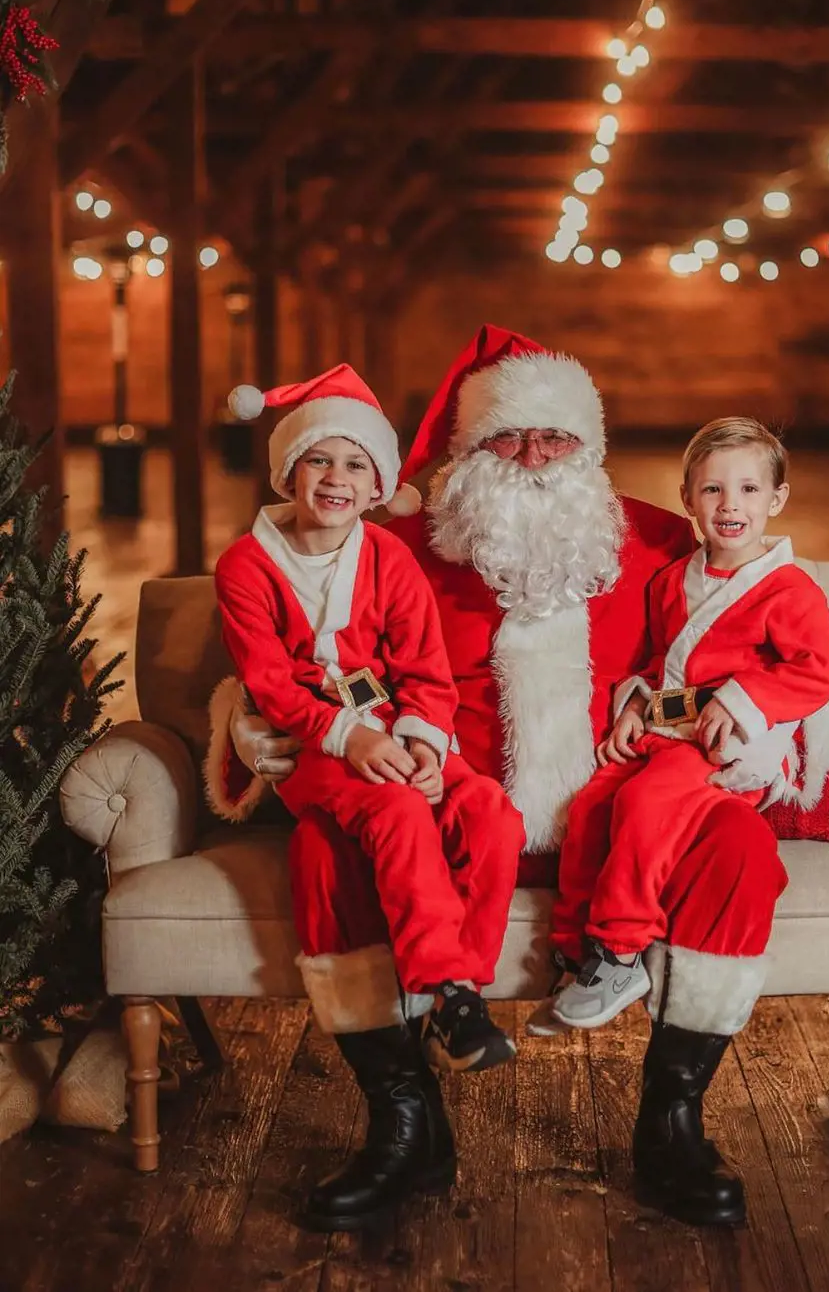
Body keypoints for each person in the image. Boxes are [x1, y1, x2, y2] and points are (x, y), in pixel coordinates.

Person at [208, 327, 829, 1227]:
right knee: (324, 847)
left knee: (739, 843)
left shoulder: (665, 539)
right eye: (508, 440)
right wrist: (253, 724)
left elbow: (768, 612)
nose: (535, 458)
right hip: (449, 796)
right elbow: (299, 641)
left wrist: (760, 716)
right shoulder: (400, 547)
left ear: (590, 452)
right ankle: (404, 1123)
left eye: (557, 440)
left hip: (626, 801)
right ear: (466, 457)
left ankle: (673, 1120)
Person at [212, 364, 525, 1229]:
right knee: (388, 811)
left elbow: (426, 670)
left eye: (356, 465)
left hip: (397, 726)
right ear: (288, 474)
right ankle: (446, 992)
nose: (336, 480)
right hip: (312, 744)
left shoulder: (389, 557)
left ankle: (458, 997)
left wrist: (425, 744)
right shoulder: (245, 565)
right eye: (318, 462)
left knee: (492, 813)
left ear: (380, 483)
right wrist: (356, 740)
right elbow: (272, 687)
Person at [548, 417, 829, 1050]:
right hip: (665, 730)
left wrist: (743, 699)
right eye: (712, 491)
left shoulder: (790, 591)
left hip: (726, 747)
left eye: (747, 490)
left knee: (644, 801)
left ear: (776, 500)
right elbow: (661, 666)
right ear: (687, 498)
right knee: (593, 803)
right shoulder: (670, 582)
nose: (729, 505)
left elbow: (817, 672)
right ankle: (574, 952)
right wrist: (632, 706)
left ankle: (619, 952)